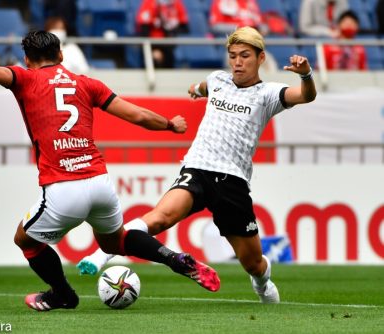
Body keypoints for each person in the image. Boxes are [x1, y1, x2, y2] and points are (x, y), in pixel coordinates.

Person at [0, 30, 220, 311]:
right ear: (61, 55)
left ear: (27, 59)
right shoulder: (88, 84)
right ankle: (175, 258)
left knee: (25, 240)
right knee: (116, 241)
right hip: (100, 183)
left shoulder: (25, 78)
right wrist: (169, 125)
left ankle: (62, 294)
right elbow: (137, 115)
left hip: (63, 188)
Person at [77, 26, 317, 304]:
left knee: (253, 263)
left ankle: (262, 283)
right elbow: (203, 87)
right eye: (233, 56)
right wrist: (196, 90)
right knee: (159, 217)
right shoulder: (217, 79)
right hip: (198, 168)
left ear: (261, 58)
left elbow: (306, 96)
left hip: (233, 182)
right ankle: (103, 254)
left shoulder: (268, 94)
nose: (238, 62)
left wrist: (305, 75)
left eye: (245, 56)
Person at [136, 0, 189, 68]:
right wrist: (152, 49)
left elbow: (184, 27)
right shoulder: (149, 2)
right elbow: (144, 29)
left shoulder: (176, 2)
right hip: (154, 43)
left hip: (171, 45)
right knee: (154, 60)